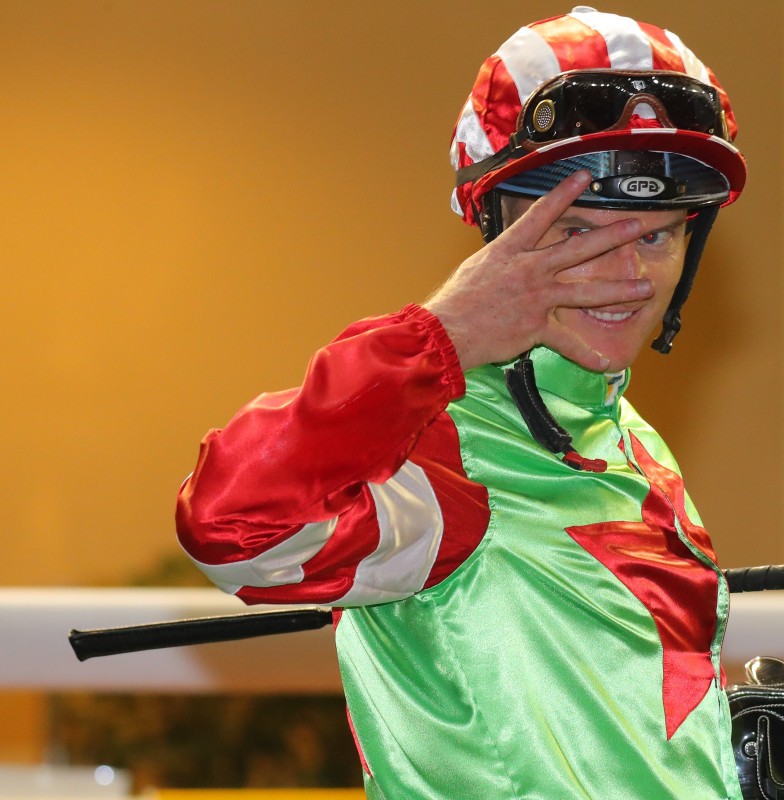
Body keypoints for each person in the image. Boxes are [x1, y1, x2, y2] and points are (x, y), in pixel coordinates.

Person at [176, 6, 747, 798]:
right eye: (575, 234)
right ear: (493, 237)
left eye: (656, 236)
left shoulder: (626, 434)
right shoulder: (442, 442)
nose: (626, 277)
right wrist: (436, 335)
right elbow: (231, 528)